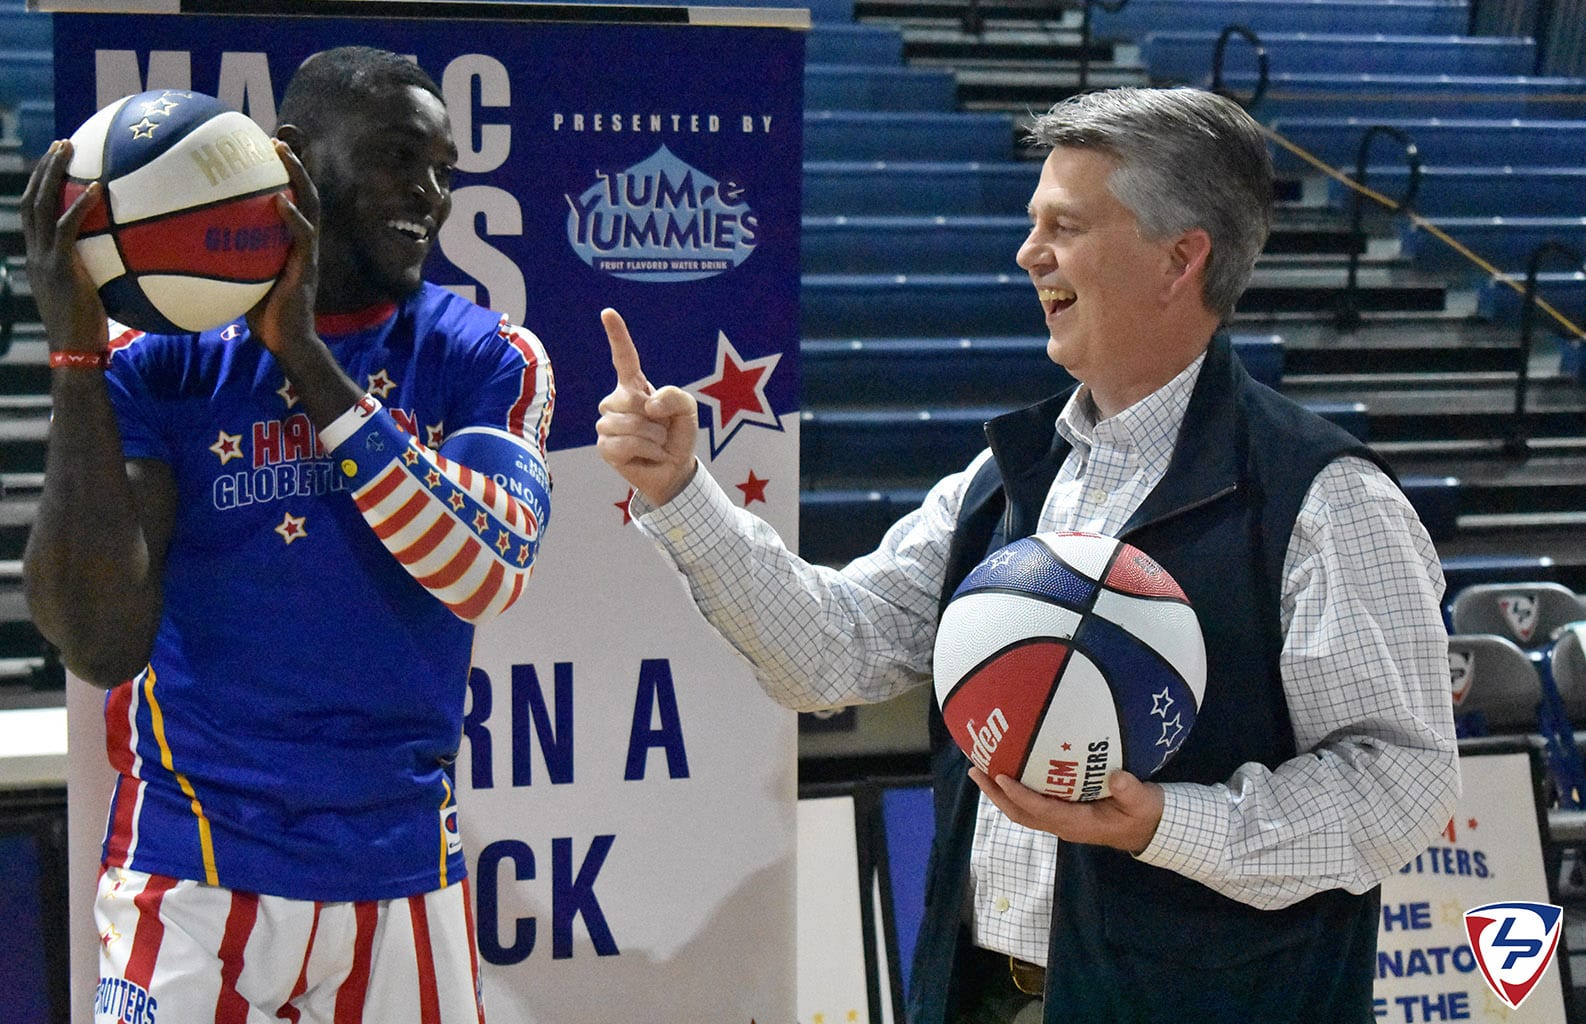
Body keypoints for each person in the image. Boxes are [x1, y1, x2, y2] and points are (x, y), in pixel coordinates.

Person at [596, 86, 1458, 1022]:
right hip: (980, 995)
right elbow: (831, 652)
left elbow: (1400, 786)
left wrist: (1168, 824)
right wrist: (682, 491)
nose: (1028, 252)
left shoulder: (1324, 498)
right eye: (1032, 222)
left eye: (1065, 226)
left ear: (1180, 259)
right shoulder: (1005, 479)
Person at [22, 46, 553, 1022]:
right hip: (193, 871)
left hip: (401, 871)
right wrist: (75, 364)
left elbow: (485, 572)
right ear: (293, 159)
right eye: (398, 159)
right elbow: (97, 641)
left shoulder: (488, 355)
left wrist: (303, 355)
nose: (432, 195)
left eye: (444, 170)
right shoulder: (161, 366)